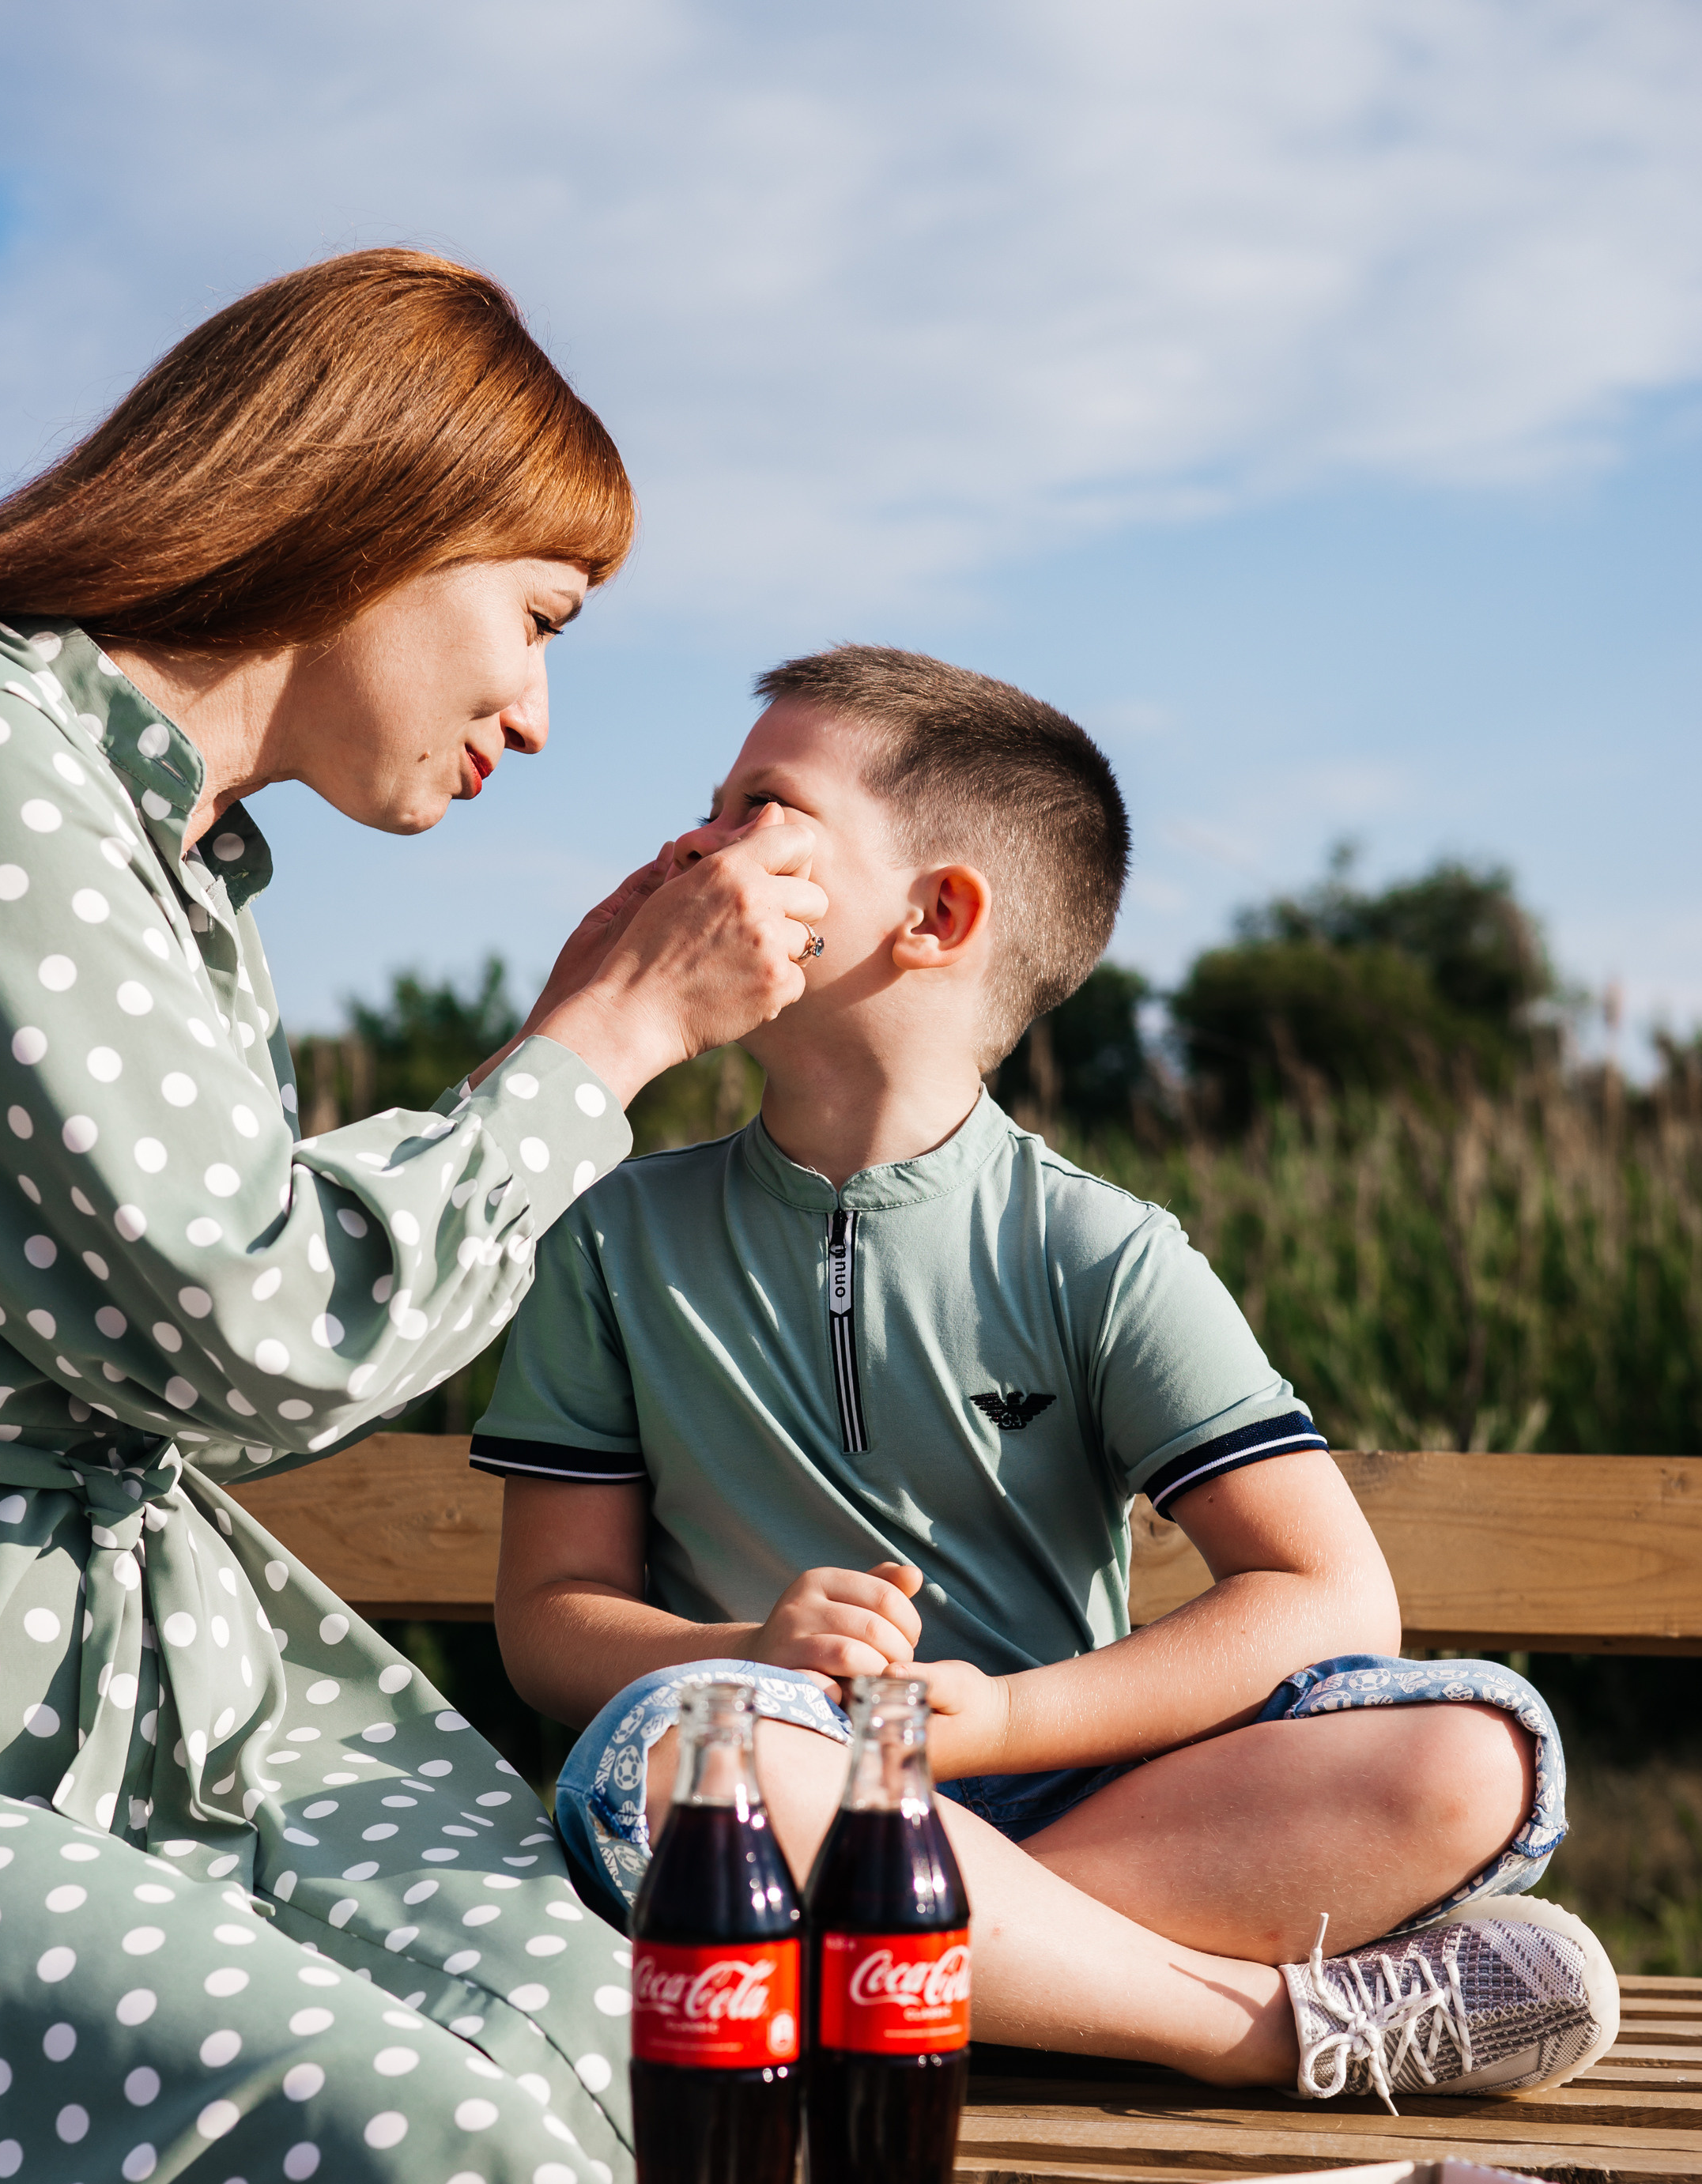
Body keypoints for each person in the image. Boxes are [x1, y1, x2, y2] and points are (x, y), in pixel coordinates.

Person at [0, 250, 828, 2184]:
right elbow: (247, 1324)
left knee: (626, 2029)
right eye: (536, 620)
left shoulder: (157, 843)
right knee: (428, 2162)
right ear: (369, 509)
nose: (540, 714)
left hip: (120, 1684)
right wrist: (604, 1046)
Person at [476, 645, 1618, 2109]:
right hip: (781, 1791)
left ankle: (920, 1981)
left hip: (1085, 1804)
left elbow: (1330, 1598)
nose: (697, 843)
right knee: (678, 1757)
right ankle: (1262, 2029)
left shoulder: (1100, 1250)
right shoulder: (610, 1231)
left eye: (763, 806)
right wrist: (747, 1657)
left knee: (1470, 1750)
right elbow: (547, 1625)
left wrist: (1007, 1723)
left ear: (937, 915)